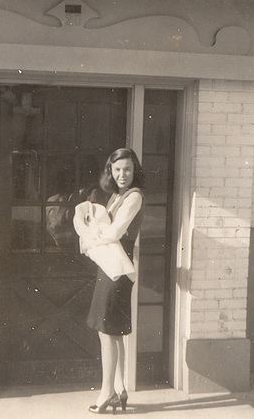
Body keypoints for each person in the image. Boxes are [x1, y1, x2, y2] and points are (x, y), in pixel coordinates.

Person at [77, 148, 145, 414]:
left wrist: (92, 236)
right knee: (112, 332)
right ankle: (120, 388)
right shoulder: (116, 196)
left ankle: (107, 394)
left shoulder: (134, 197)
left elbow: (115, 231)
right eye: (117, 170)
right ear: (111, 171)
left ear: (134, 171)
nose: (122, 175)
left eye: (127, 169)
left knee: (107, 331)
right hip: (109, 265)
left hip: (118, 268)